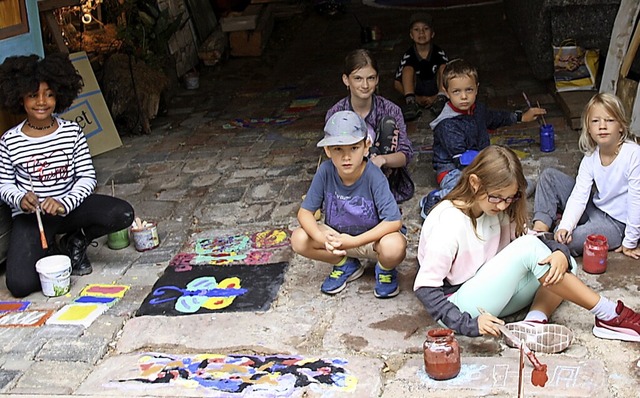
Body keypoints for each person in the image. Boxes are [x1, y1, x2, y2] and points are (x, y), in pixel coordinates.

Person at [415, 145, 640, 350]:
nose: (503, 205)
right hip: (461, 306)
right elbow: (426, 289)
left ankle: (533, 324)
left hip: (491, 293)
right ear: (475, 183)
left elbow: (538, 240)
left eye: (509, 198)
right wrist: (469, 324)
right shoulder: (449, 220)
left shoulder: (500, 208)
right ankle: (609, 314)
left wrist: (560, 253)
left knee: (564, 263)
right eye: (497, 198)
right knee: (530, 249)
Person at [0, 53, 135, 298]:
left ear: (60, 95)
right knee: (19, 285)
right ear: (20, 97)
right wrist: (20, 199)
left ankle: (75, 240)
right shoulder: (10, 141)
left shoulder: (72, 132)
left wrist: (64, 203)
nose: (42, 102)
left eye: (49, 94)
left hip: (69, 210)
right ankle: (50, 246)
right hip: (33, 219)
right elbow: (5, 184)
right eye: (33, 95)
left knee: (122, 213)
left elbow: (87, 177)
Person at [291, 111, 406, 298]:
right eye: (338, 149)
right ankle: (345, 264)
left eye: (353, 148)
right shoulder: (325, 172)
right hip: (337, 238)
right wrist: (322, 239)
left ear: (366, 146)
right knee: (299, 238)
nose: (346, 157)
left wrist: (353, 241)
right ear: (327, 151)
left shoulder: (373, 176)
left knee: (394, 245)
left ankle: (385, 270)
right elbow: (305, 213)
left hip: (371, 240)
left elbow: (393, 221)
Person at [420, 59, 546, 218]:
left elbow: (494, 118)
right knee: (468, 196)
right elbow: (462, 160)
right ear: (446, 92)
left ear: (477, 89)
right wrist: (492, 162)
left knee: (519, 188)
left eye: (469, 90)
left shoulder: (477, 109)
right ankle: (436, 199)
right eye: (457, 91)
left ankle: (494, 193)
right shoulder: (447, 125)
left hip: (481, 164)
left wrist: (520, 116)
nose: (464, 96)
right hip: (453, 170)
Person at [531, 93, 640, 258]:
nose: (602, 126)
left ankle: (552, 240)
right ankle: (540, 229)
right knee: (549, 177)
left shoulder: (633, 155)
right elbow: (579, 196)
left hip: (617, 224)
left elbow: (636, 202)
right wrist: (565, 226)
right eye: (595, 121)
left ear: (621, 126)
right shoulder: (591, 157)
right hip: (596, 207)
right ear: (588, 128)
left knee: (570, 241)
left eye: (609, 120)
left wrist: (630, 241)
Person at [327, 48, 415, 204]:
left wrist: (382, 160)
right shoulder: (336, 113)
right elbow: (332, 155)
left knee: (388, 124)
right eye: (358, 78)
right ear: (346, 80)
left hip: (387, 179)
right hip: (350, 179)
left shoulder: (391, 109)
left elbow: (405, 155)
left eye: (371, 78)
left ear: (377, 79)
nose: (365, 85)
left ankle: (380, 193)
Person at [393, 12, 449, 121]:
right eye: (416, 30)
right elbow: (396, 83)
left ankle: (441, 100)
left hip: (436, 88)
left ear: (432, 33)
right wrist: (416, 98)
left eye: (426, 29)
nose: (421, 33)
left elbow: (452, 78)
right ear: (411, 35)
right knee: (408, 69)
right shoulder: (408, 55)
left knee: (444, 68)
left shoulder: (439, 53)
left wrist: (435, 97)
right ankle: (411, 103)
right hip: (416, 90)